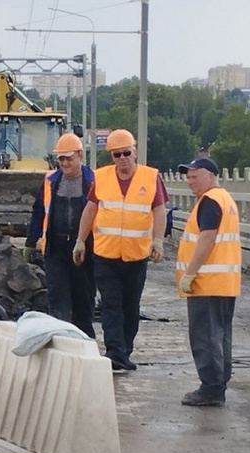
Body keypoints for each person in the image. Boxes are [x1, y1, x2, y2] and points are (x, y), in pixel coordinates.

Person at [73, 129, 168, 371]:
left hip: (137, 255)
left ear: (134, 151)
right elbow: (91, 209)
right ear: (111, 157)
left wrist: (158, 240)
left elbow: (159, 210)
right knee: (110, 304)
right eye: (117, 155)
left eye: (126, 153)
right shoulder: (101, 177)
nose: (122, 158)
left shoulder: (150, 177)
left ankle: (125, 349)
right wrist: (81, 240)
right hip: (106, 255)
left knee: (130, 305)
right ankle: (115, 353)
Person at [175, 157, 240, 406]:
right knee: (221, 335)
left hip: (207, 282)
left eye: (195, 176)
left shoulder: (210, 200)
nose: (190, 181)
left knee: (206, 335)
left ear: (211, 176)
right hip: (224, 282)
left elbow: (207, 238)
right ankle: (218, 384)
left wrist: (190, 273)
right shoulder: (225, 199)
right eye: (188, 177)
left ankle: (211, 388)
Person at [24, 133, 96, 338]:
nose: (64, 163)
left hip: (84, 250)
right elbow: (39, 211)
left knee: (84, 300)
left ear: (80, 156)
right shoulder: (50, 181)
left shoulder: (93, 181)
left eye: (68, 158)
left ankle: (85, 340)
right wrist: (31, 242)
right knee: (58, 300)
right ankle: (60, 339)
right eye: (61, 159)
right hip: (55, 249)